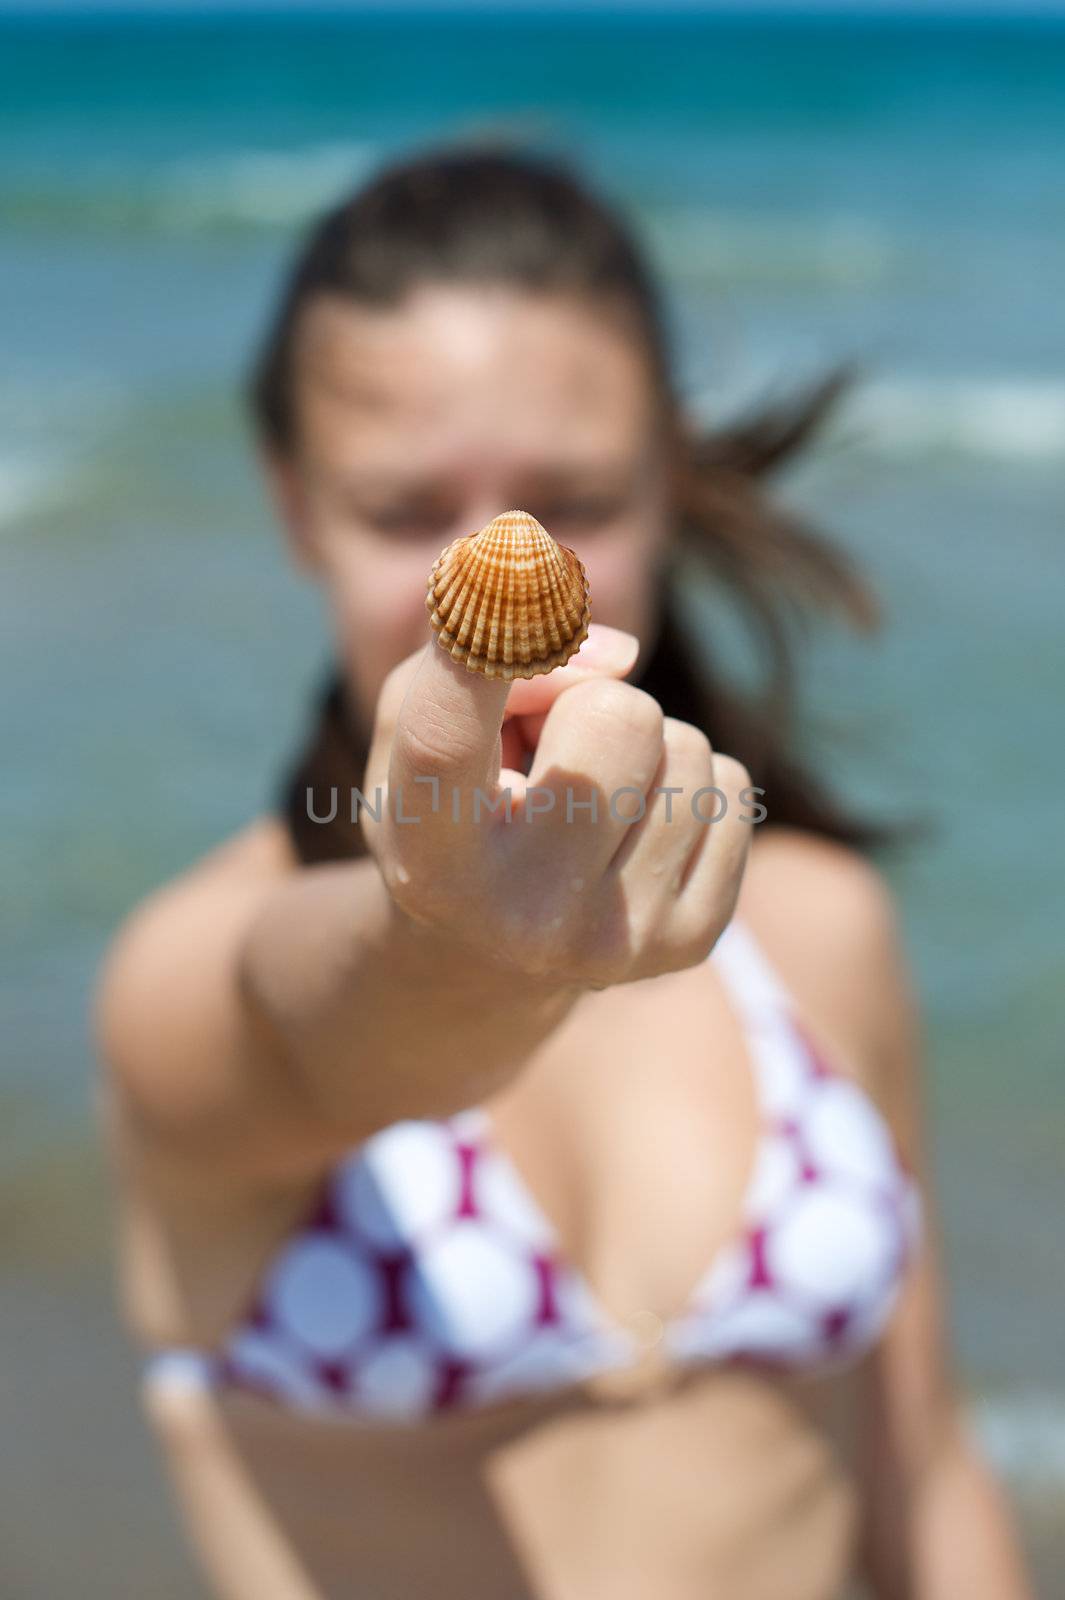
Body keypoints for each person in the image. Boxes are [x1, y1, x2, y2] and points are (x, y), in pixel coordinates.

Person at [93, 147, 1031, 1600]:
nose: (486, 563)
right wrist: (461, 939)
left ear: (669, 478)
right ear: (293, 508)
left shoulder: (817, 928)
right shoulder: (189, 972)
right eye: (404, 512)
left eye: (575, 497)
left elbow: (919, 1465)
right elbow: (319, 1023)